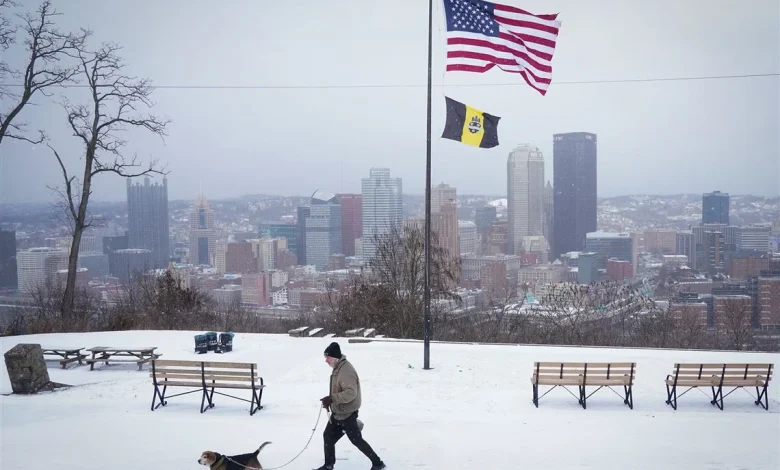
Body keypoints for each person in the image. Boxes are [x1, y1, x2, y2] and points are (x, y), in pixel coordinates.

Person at [315, 342, 386, 470]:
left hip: (347, 414)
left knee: (356, 440)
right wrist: (330, 401)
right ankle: (328, 465)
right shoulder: (338, 368)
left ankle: (377, 463)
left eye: (328, 358)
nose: (326, 361)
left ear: (335, 358)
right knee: (328, 436)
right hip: (338, 413)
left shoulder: (346, 370)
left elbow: (351, 393)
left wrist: (332, 399)